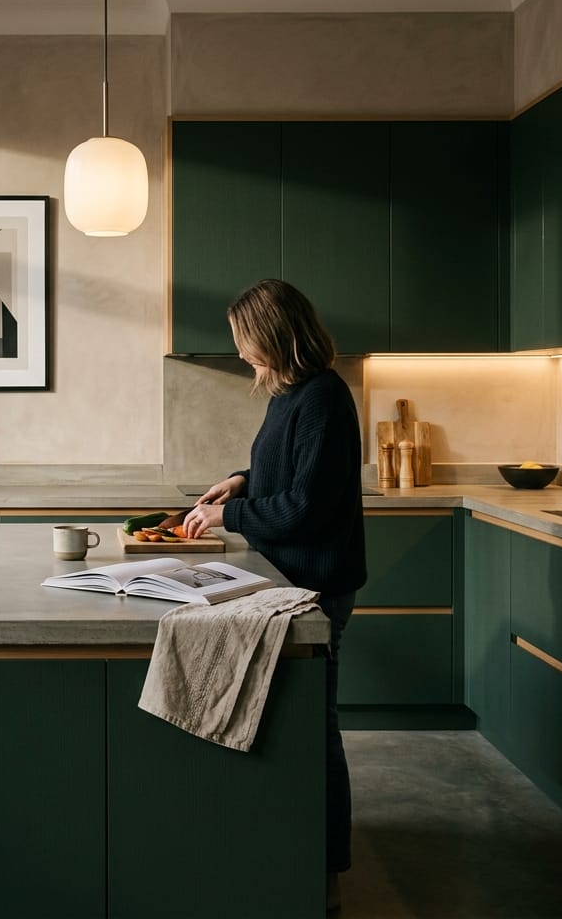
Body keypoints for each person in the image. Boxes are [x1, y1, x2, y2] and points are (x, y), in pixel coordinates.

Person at [180, 278, 367, 910]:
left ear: (275, 334)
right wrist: (239, 480)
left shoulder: (324, 399)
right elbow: (281, 471)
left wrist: (227, 519)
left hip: (316, 588)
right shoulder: (291, 396)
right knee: (296, 723)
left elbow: (303, 509)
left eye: (246, 340)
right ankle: (293, 849)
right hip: (290, 584)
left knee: (319, 729)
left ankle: (328, 874)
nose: (241, 354)